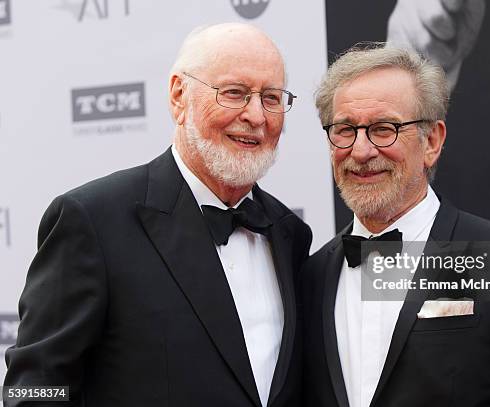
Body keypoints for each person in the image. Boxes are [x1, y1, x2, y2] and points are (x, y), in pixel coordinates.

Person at [4, 23, 311, 407]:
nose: (256, 115)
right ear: (180, 96)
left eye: (271, 97)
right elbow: (31, 388)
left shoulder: (290, 234)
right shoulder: (93, 221)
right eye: (234, 93)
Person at [302, 43, 490, 407]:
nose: (362, 151)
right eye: (345, 130)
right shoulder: (312, 276)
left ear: (431, 141)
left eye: (384, 129)